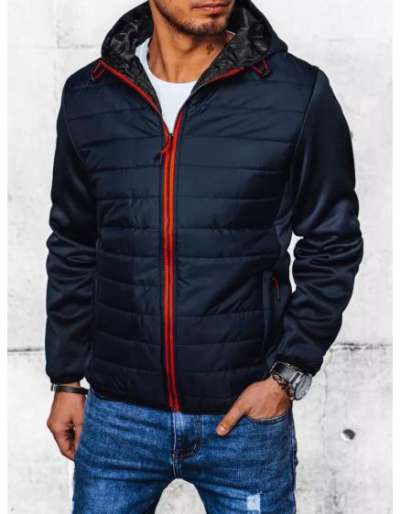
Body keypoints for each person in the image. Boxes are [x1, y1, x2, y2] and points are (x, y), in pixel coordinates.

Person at [44, 0, 363, 512]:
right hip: (117, 420)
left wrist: (287, 376)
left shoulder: (296, 91)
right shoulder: (90, 95)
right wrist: (65, 378)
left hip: (245, 419)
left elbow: (333, 239)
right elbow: (74, 241)